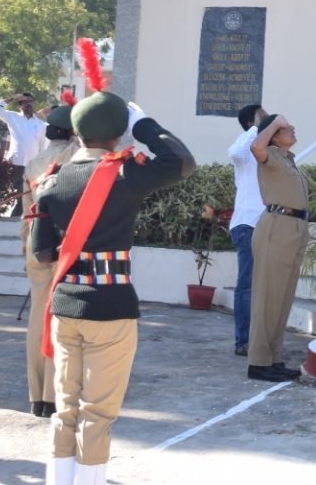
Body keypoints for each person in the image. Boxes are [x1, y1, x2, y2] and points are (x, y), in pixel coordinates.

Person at [31, 90, 196, 485]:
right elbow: (183, 162)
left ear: (77, 131)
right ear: (118, 134)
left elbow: (42, 253)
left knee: (66, 408)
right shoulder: (124, 174)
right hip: (111, 306)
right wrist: (144, 124)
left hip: (66, 306)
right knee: (97, 413)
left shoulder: (52, 181)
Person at [20, 99, 79, 418]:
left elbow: (25, 213)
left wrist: (24, 249)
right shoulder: (74, 155)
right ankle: (55, 394)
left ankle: (37, 396)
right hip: (64, 242)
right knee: (62, 318)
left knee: (37, 317)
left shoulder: (33, 162)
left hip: (34, 241)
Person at [247, 113, 309, 382]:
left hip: (293, 227)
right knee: (268, 297)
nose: (293, 128)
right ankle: (259, 362)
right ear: (274, 136)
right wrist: (274, 122)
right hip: (277, 226)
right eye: (286, 128)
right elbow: (255, 147)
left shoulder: (286, 159)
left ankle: (274, 358)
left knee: (282, 299)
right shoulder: (268, 153)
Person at [226, 102, 267, 357]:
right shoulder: (244, 153)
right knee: (247, 285)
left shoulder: (265, 151)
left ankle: (260, 338)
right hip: (248, 224)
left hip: (268, 224)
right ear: (251, 123)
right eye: (262, 117)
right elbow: (234, 152)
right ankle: (243, 341)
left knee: (264, 286)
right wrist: (256, 129)